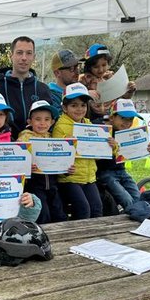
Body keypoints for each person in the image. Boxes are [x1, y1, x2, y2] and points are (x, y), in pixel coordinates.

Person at [52, 83, 115, 220]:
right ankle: (78, 238)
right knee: (83, 209)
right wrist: (66, 145)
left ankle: (93, 239)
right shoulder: (60, 126)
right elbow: (56, 154)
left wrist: (110, 145)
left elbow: (97, 156)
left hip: (89, 176)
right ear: (64, 108)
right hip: (70, 178)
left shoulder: (89, 124)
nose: (79, 109)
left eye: (83, 105)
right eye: (74, 105)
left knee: (97, 208)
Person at [97, 99, 150, 211]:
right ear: (112, 117)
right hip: (105, 173)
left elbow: (137, 150)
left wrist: (147, 149)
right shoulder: (100, 130)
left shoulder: (127, 133)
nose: (127, 122)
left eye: (131, 119)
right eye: (123, 118)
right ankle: (137, 217)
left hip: (122, 171)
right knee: (126, 200)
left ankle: (140, 216)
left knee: (138, 197)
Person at [0, 36, 52, 139]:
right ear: (11, 56)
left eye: (29, 53)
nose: (24, 58)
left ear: (34, 57)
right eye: (19, 52)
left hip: (37, 148)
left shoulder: (43, 89)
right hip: (6, 148)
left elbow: (50, 122)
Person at [17, 100, 67, 223]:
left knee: (59, 213)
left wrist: (66, 168)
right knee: (43, 214)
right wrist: (26, 167)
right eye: (38, 119)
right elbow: (17, 163)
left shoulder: (54, 140)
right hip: (35, 185)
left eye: (46, 119)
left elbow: (61, 161)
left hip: (53, 184)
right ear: (29, 122)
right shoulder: (24, 139)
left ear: (52, 122)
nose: (42, 123)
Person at [49, 49, 82, 113]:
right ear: (57, 73)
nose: (77, 72)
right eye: (71, 69)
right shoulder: (50, 96)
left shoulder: (81, 90)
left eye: (77, 67)